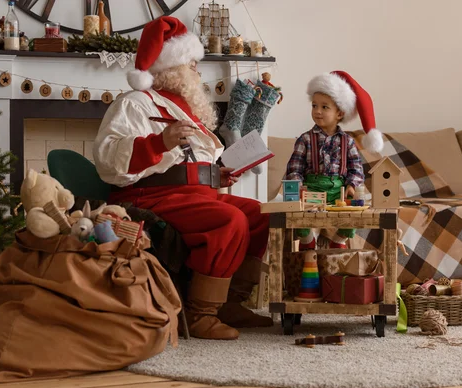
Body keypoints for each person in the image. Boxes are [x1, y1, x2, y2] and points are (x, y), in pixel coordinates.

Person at [93, 16, 272, 340]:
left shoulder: (184, 109)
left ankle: (230, 301)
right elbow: (108, 158)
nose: (197, 72)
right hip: (149, 196)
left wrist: (216, 174)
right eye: (191, 64)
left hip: (196, 195)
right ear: (171, 67)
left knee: (260, 215)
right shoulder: (134, 104)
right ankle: (201, 312)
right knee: (228, 220)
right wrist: (159, 142)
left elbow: (188, 162)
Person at [285, 71, 383, 249]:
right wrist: (298, 186)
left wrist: (352, 186)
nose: (317, 111)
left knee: (353, 216)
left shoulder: (348, 141)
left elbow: (356, 169)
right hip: (312, 190)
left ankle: (337, 244)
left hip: (339, 192)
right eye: (314, 106)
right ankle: (308, 245)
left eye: (324, 107)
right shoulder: (305, 139)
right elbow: (295, 168)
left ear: (340, 113)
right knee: (300, 217)